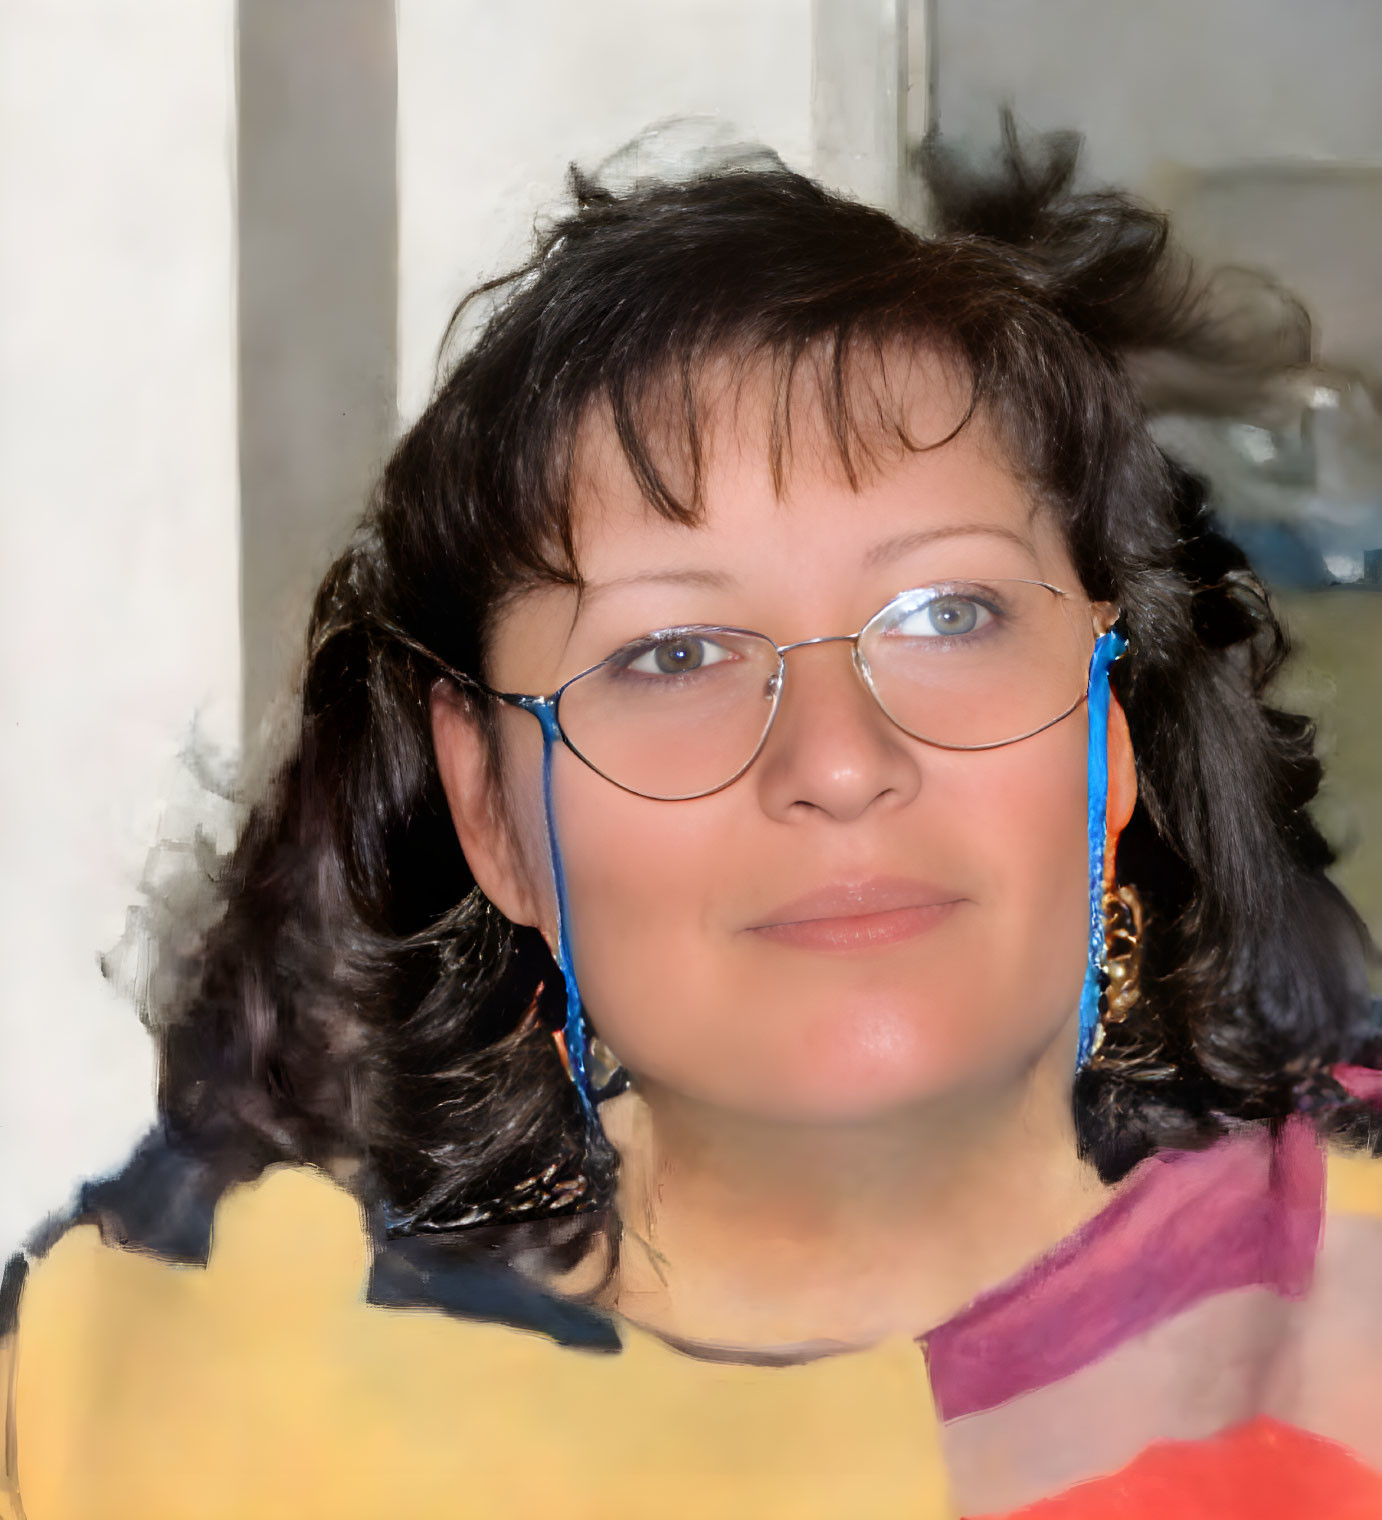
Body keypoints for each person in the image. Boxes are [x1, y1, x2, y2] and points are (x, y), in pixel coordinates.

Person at [3, 125, 1382, 1520]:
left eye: (945, 615)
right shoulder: (156, 1399)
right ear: (490, 808)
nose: (838, 763)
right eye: (670, 654)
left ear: (1109, 727)